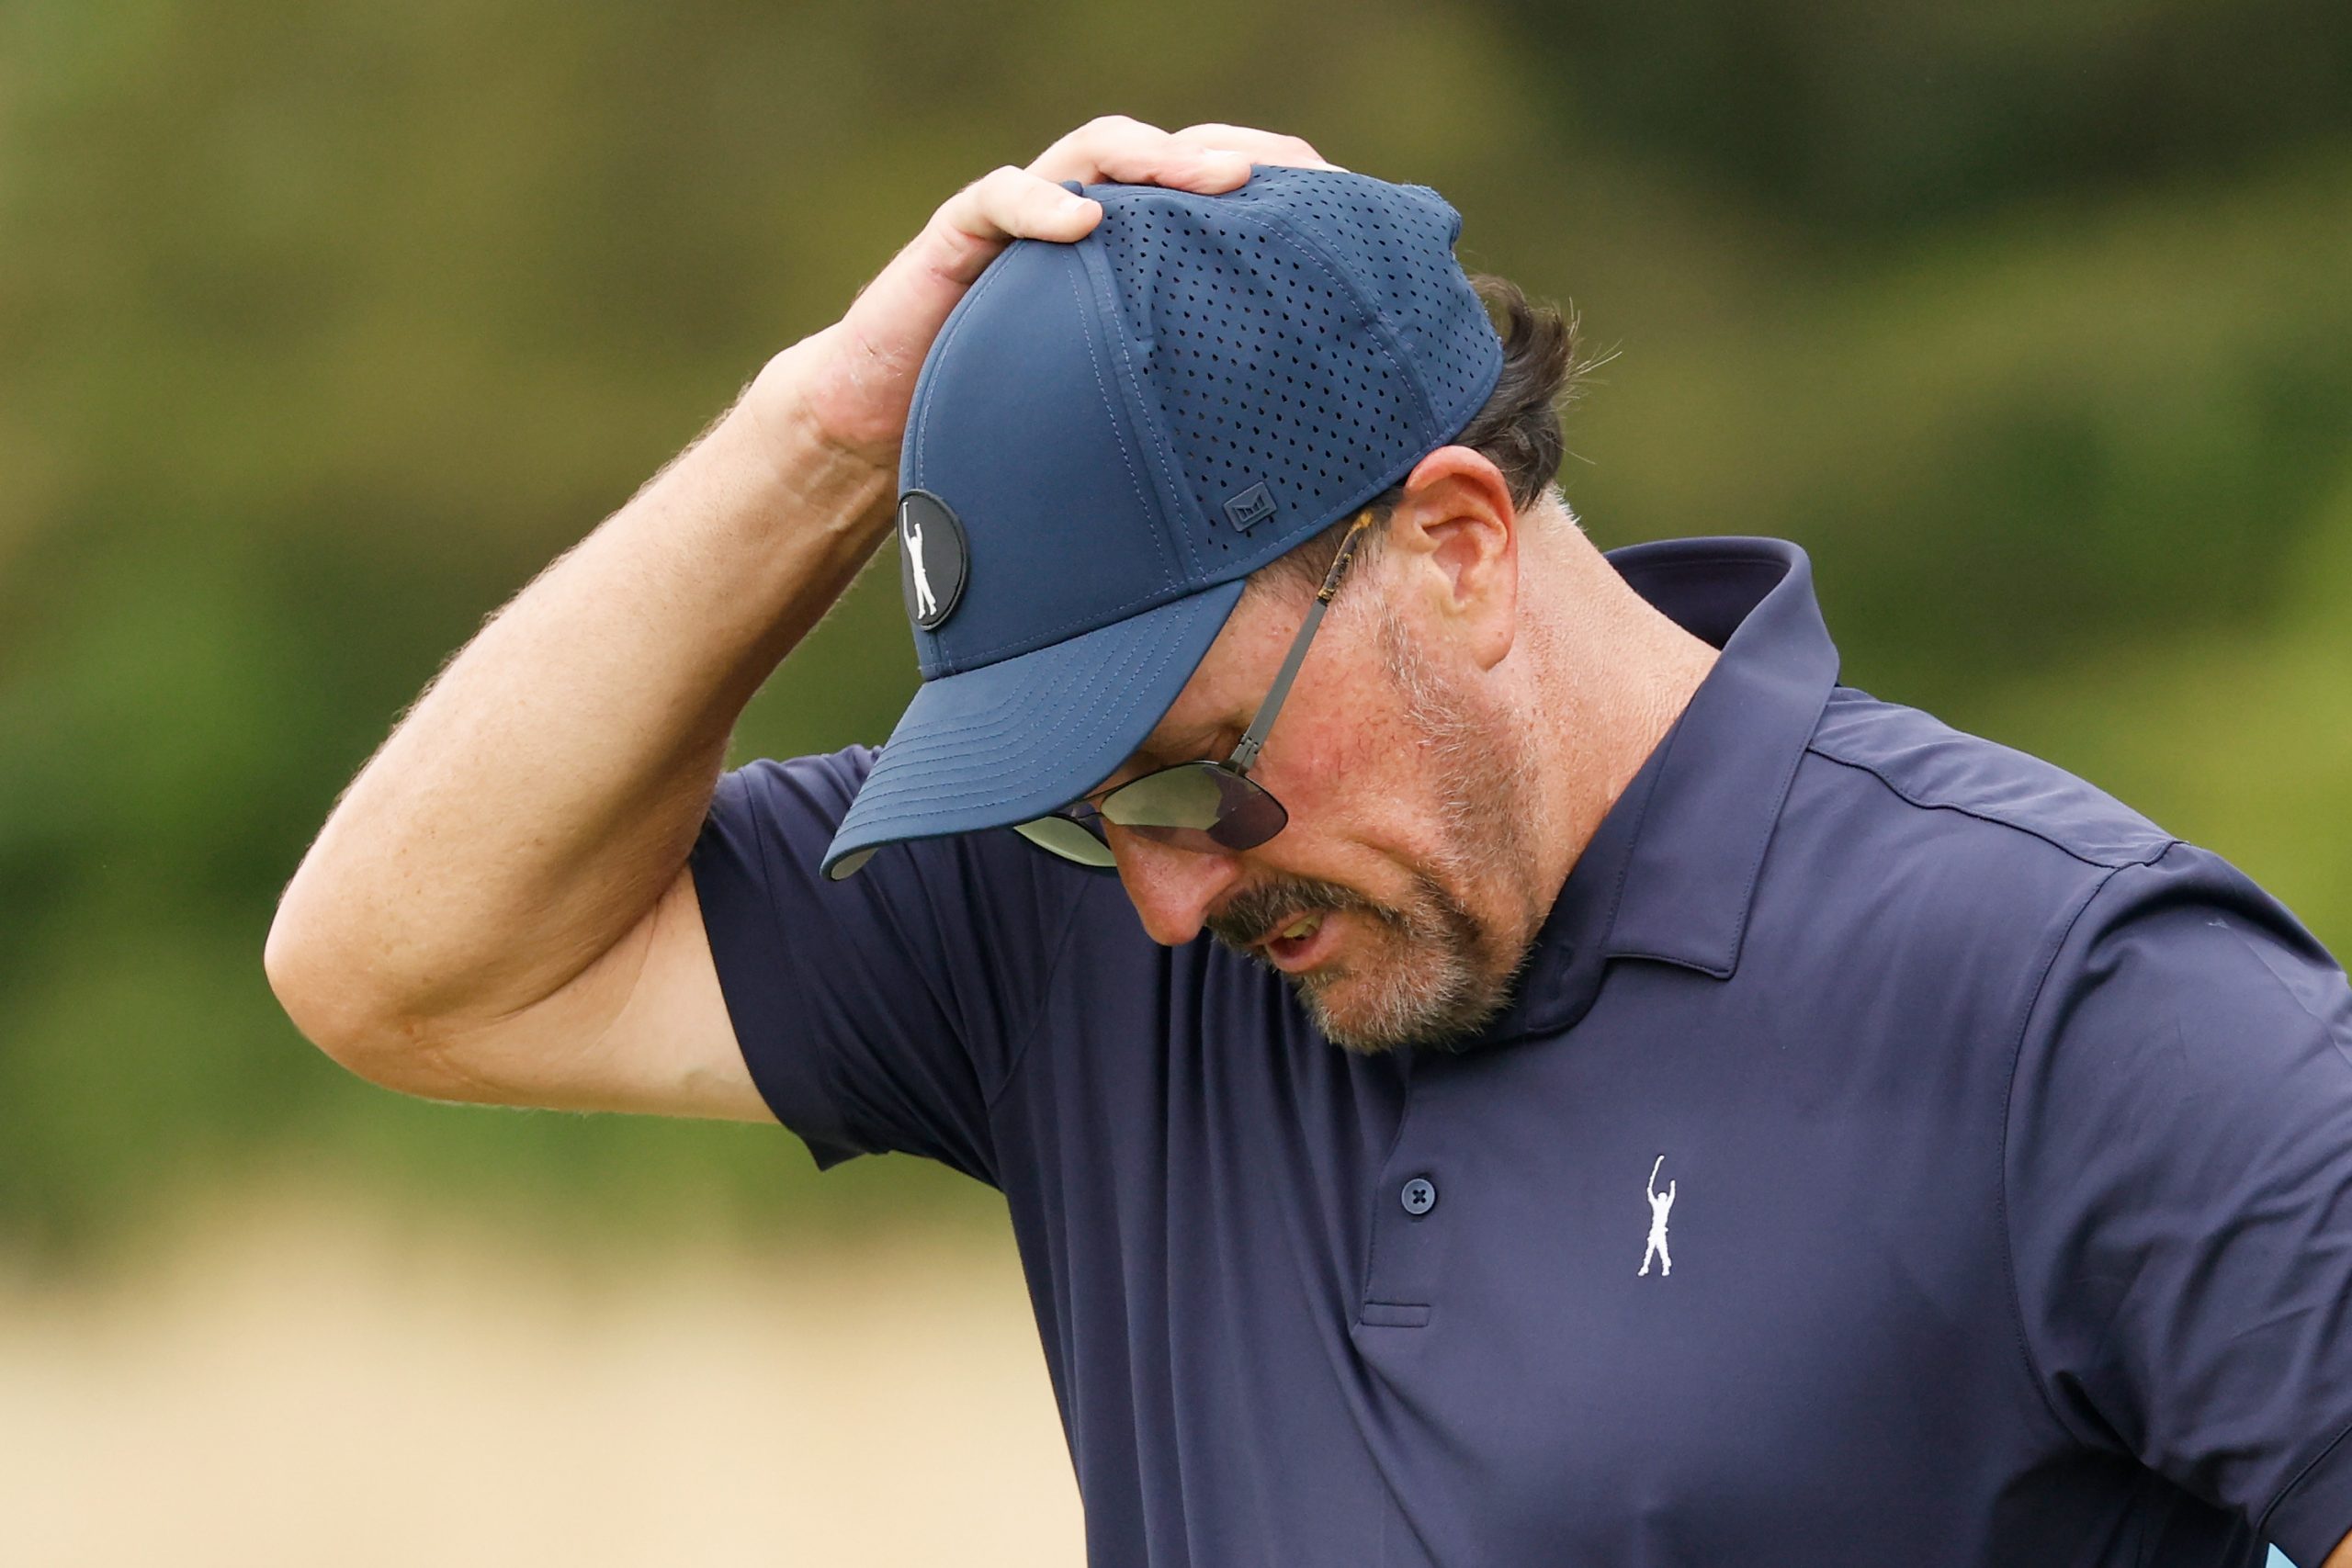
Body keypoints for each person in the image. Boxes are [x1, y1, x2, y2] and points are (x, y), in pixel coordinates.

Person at [264, 117, 2352, 1567]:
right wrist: (826, 440)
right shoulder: (1075, 914)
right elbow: (396, 961)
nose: (1165, 895)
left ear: (1450, 545)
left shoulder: (2066, 988)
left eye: (1187, 771)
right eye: (1086, 820)